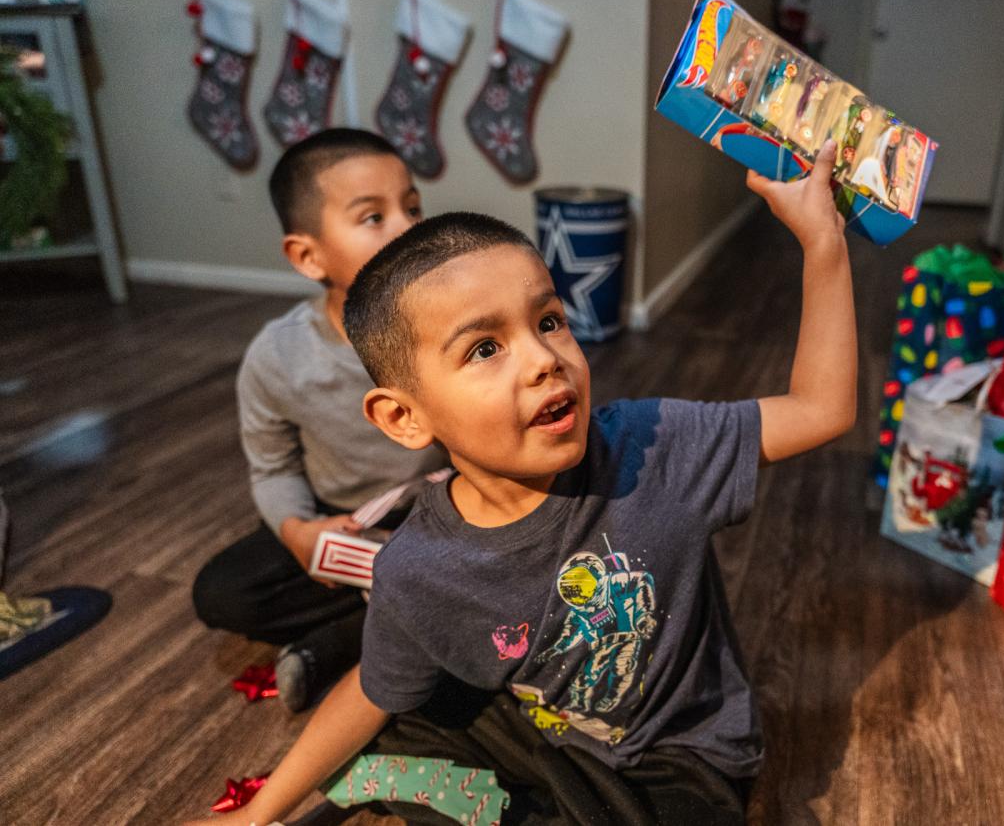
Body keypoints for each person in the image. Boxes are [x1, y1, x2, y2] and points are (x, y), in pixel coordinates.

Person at [186, 139, 856, 825]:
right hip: (547, 728)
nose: (543, 359)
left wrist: (822, 245)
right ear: (405, 416)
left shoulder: (653, 447)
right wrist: (259, 813)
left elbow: (819, 409)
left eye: (549, 321)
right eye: (484, 348)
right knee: (402, 715)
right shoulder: (416, 567)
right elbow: (372, 690)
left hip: (681, 755)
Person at [191, 129, 446, 711]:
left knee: (507, 559)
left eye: (413, 208)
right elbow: (273, 468)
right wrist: (300, 533)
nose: (408, 230)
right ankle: (398, 619)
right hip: (346, 523)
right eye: (373, 217)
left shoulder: (451, 326)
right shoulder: (277, 356)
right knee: (224, 592)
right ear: (308, 256)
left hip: (442, 517)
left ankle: (340, 643)